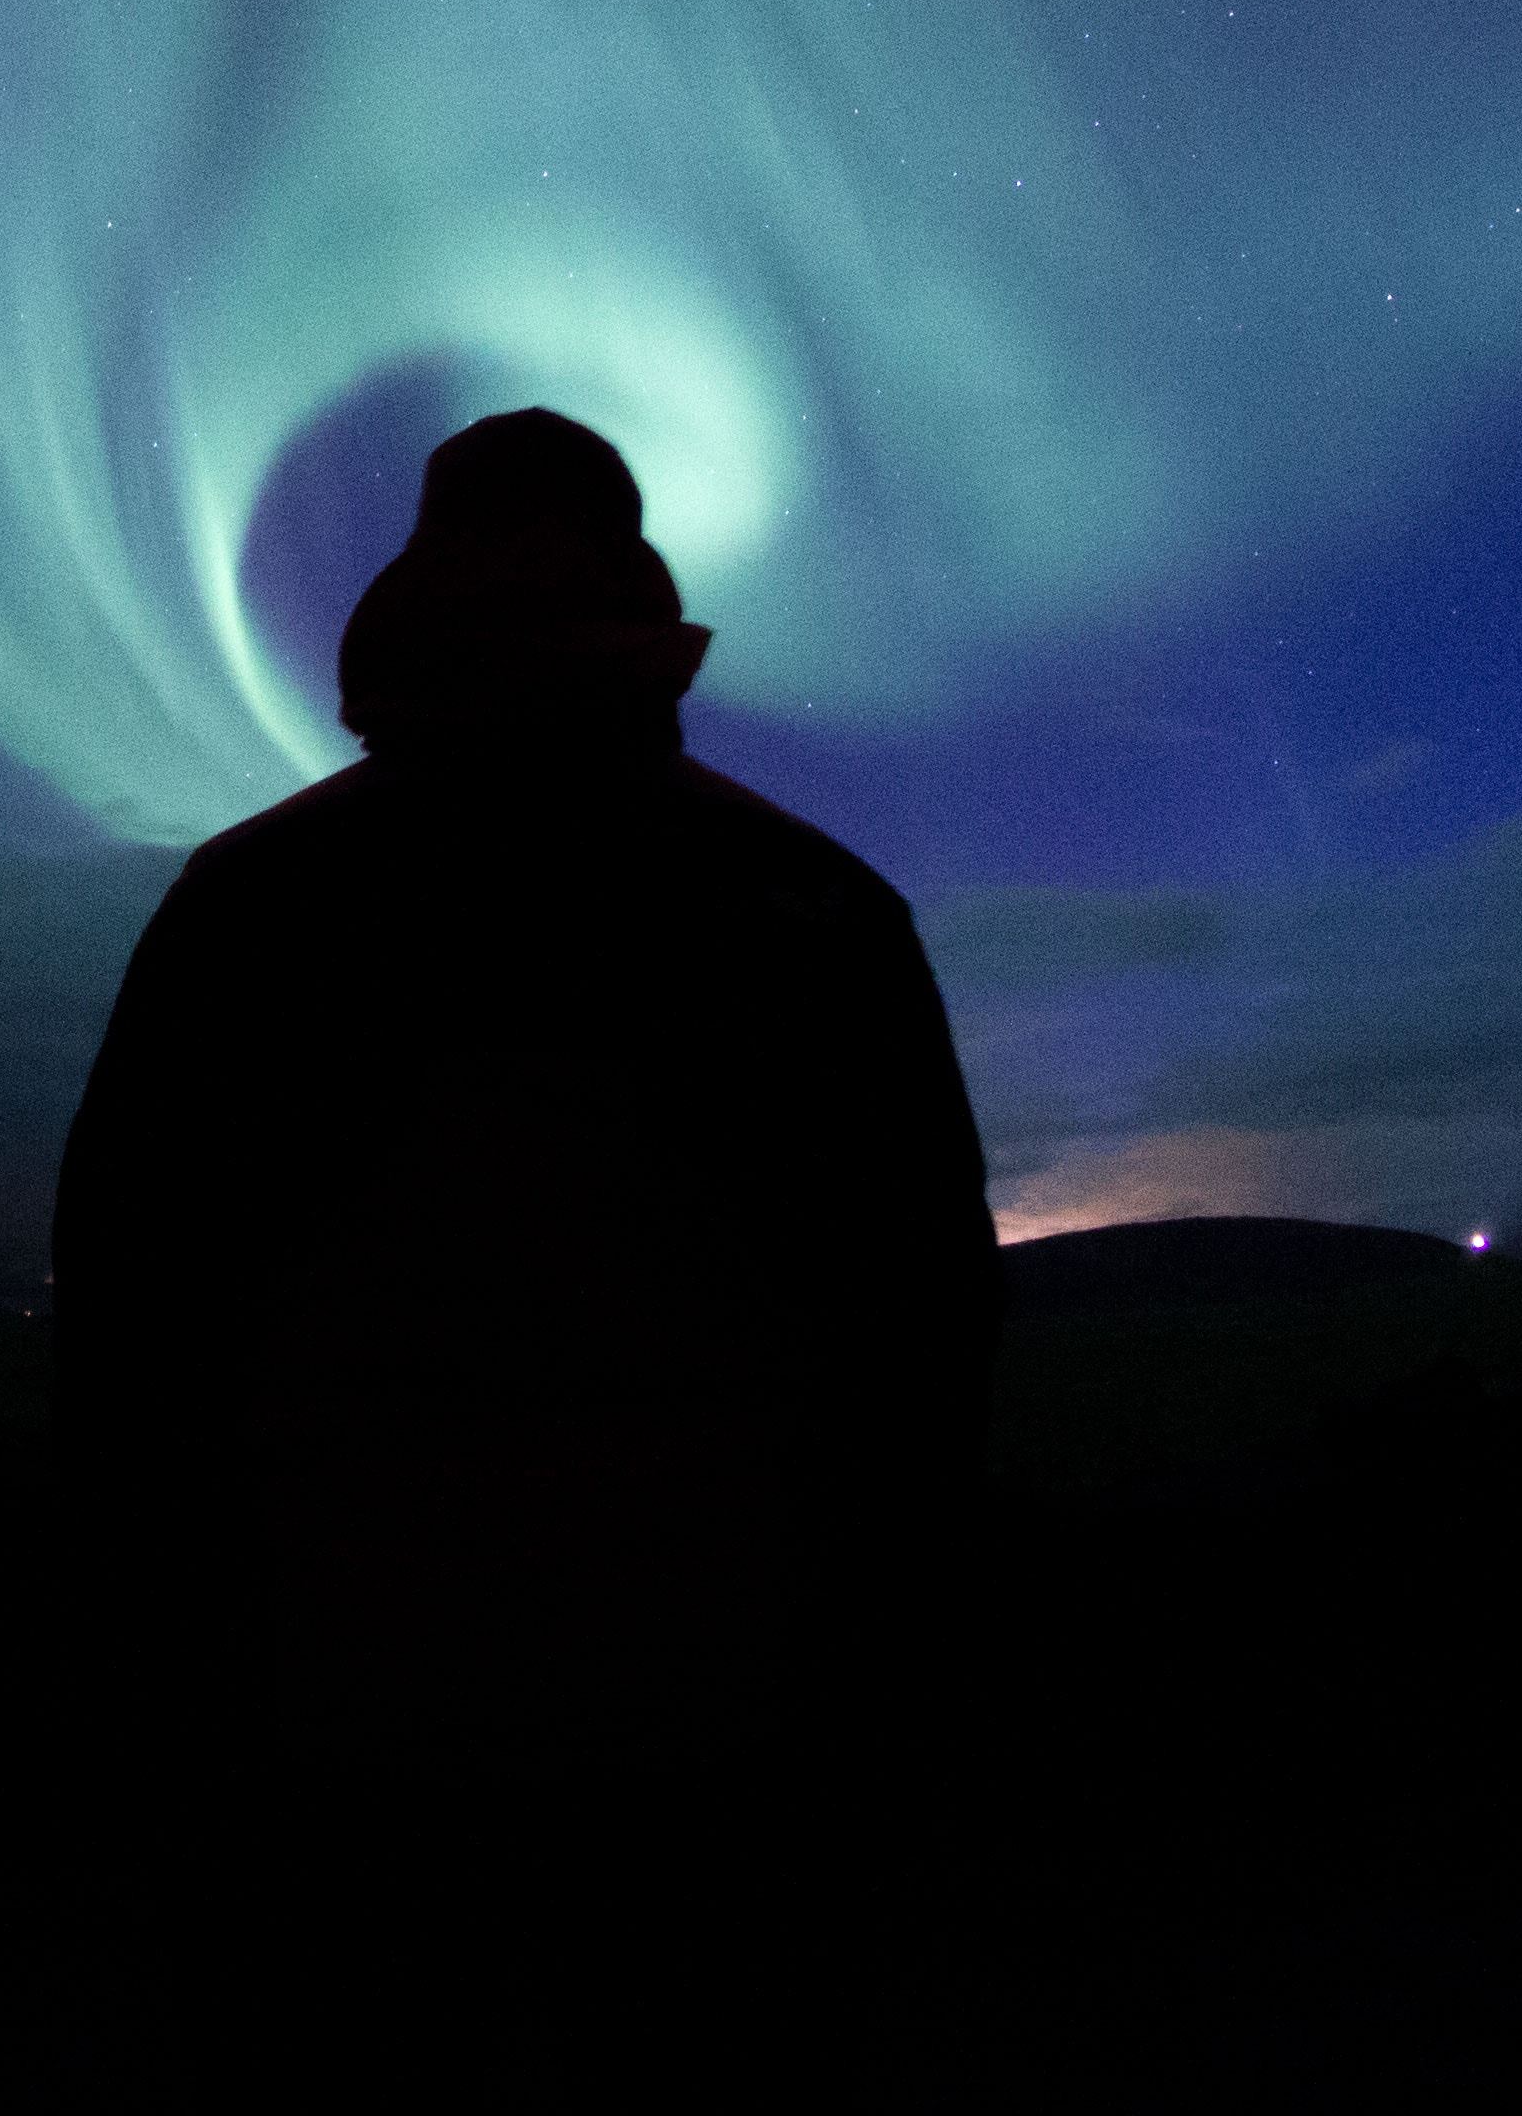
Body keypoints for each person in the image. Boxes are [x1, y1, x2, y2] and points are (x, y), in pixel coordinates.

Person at [52, 408, 1001, 1787]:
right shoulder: (817, 911)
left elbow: (133, 1325)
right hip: (725, 1712)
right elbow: (922, 1344)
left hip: (330, 1707)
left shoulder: (259, 903)